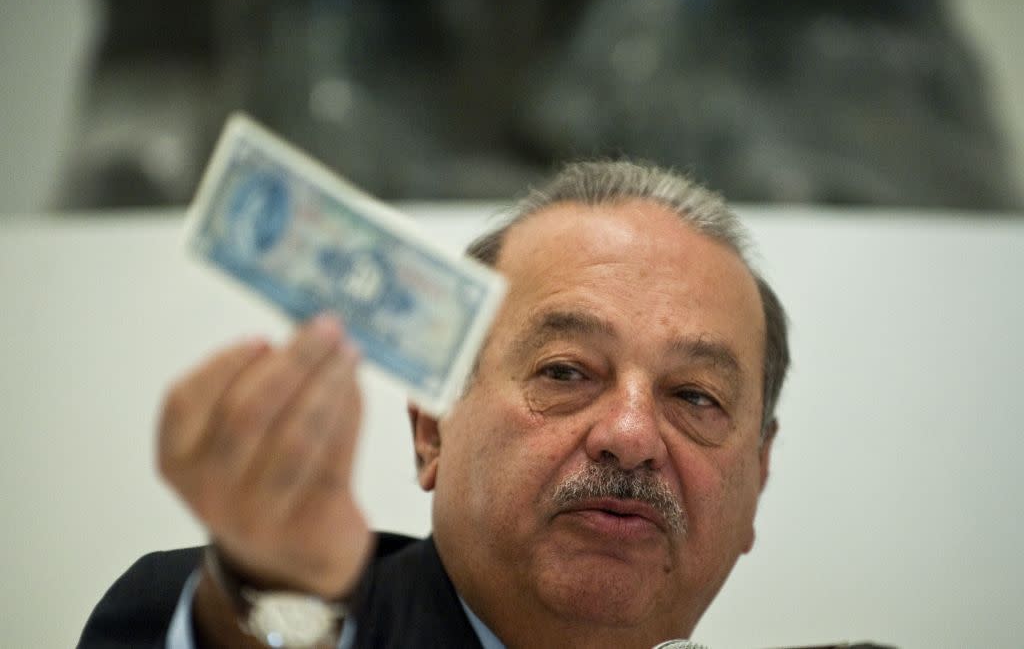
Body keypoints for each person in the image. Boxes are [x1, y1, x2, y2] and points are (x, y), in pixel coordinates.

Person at [79, 160, 790, 648]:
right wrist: (269, 611)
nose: (632, 433)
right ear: (432, 433)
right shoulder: (203, 614)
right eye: (567, 371)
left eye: (695, 395)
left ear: (756, 481)